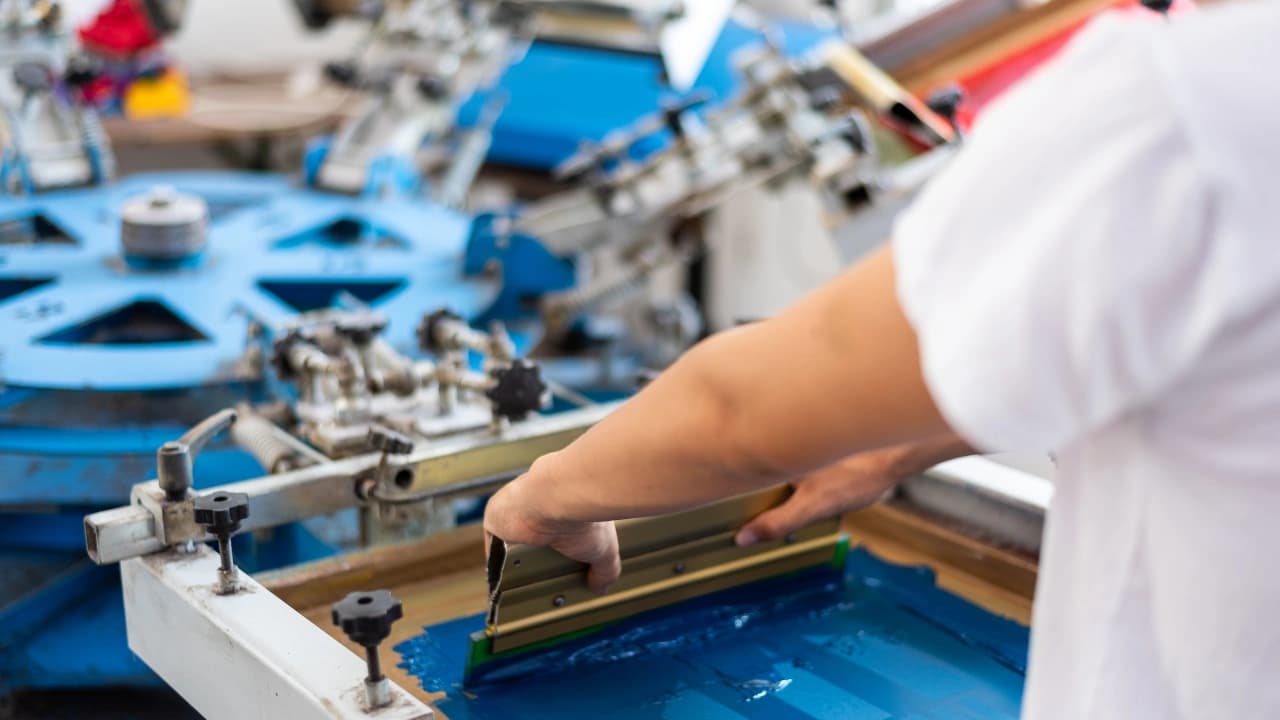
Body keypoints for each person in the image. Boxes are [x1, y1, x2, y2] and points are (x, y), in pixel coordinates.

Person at [485, 2, 1280, 718]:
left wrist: (544, 497)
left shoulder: (1195, 101)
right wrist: (898, 443)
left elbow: (742, 416)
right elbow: (1154, 339)